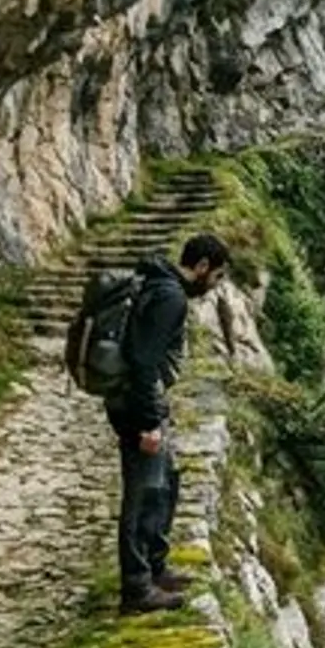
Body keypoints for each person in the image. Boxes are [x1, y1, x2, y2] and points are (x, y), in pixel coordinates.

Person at [108, 233, 229, 613]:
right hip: (138, 405)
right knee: (143, 491)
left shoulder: (158, 283)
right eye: (217, 277)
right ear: (203, 266)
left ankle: (155, 566)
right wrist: (150, 423)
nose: (214, 287)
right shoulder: (171, 297)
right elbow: (144, 360)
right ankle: (137, 587)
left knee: (165, 481)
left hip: (139, 401)